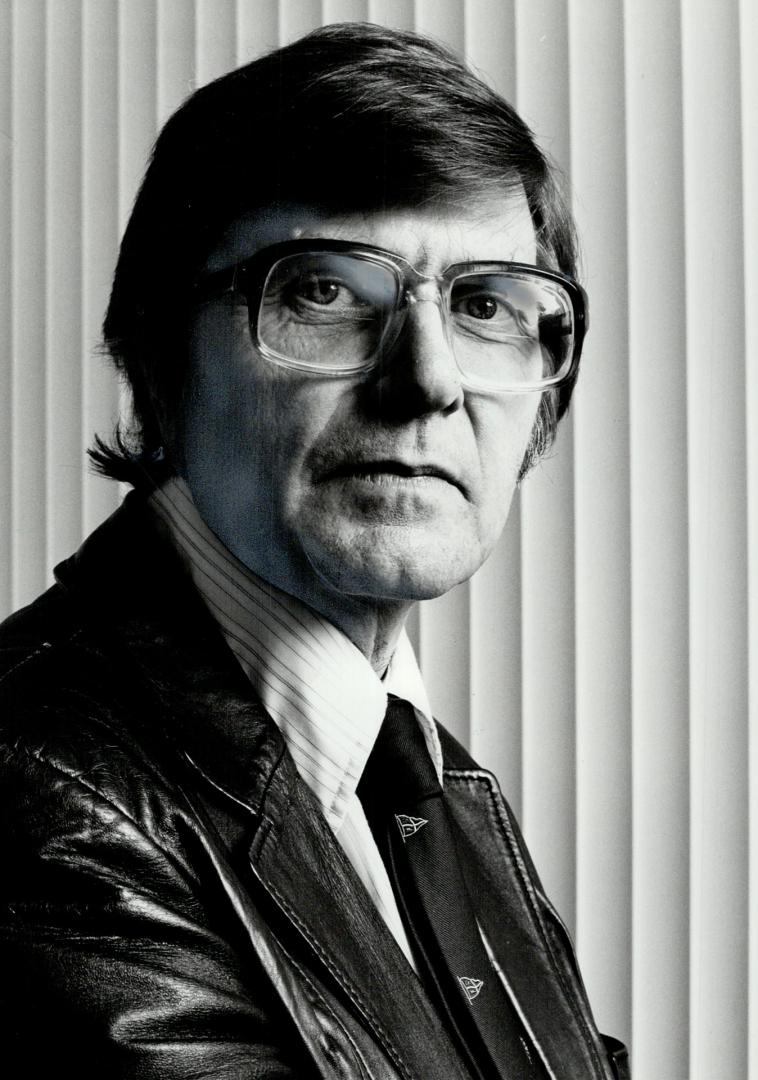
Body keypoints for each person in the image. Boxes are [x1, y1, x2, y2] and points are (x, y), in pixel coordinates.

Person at [0, 23, 628, 1080]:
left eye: (483, 306)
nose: (427, 379)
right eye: (324, 291)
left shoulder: (419, 779)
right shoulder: (43, 796)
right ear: (158, 355)